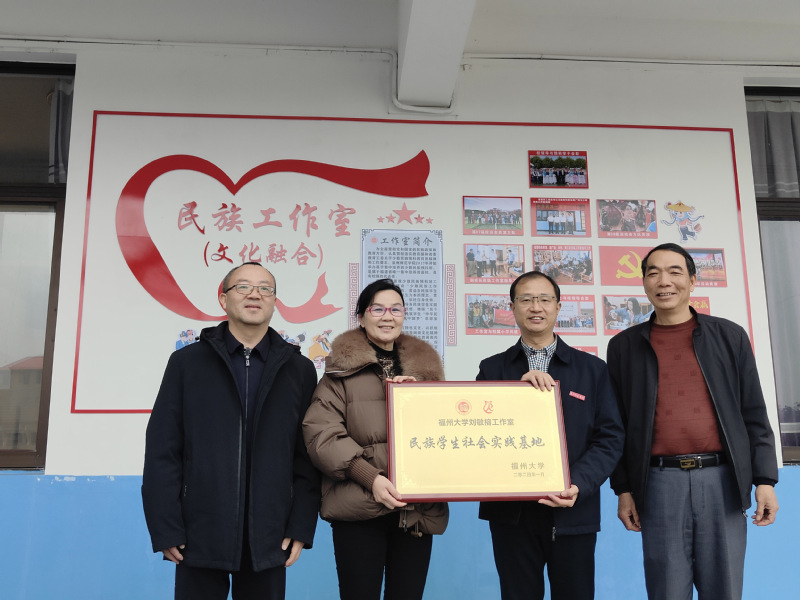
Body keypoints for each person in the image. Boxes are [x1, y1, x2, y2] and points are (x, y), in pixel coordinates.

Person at [607, 243, 779, 600]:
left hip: (722, 481)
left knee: (724, 588)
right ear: (644, 283)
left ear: (693, 281)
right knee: (666, 590)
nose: (664, 281)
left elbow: (753, 413)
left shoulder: (729, 336)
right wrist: (623, 488)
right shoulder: (624, 346)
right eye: (653, 273)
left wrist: (764, 479)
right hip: (658, 483)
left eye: (674, 272)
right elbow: (617, 424)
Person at [142, 262, 321, 600]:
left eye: (265, 288)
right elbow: (163, 449)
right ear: (223, 299)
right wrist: (165, 527)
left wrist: (300, 525)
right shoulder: (187, 363)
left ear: (275, 301)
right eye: (243, 287)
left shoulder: (298, 369)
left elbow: (306, 455)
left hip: (269, 532)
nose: (255, 294)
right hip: (199, 529)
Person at [477, 271, 624, 600]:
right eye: (526, 300)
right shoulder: (493, 370)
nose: (536, 307)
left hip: (573, 509)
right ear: (512, 307)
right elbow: (480, 435)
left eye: (544, 299)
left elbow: (610, 438)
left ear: (558, 307)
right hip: (511, 515)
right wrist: (512, 395)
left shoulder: (592, 369)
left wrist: (578, 484)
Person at [303, 279, 448, 600]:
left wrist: (421, 399)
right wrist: (372, 478)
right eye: (378, 309)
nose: (387, 316)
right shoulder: (339, 373)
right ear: (361, 316)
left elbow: (443, 433)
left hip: (415, 511)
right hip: (359, 508)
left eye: (396, 309)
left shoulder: (426, 371)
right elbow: (321, 435)